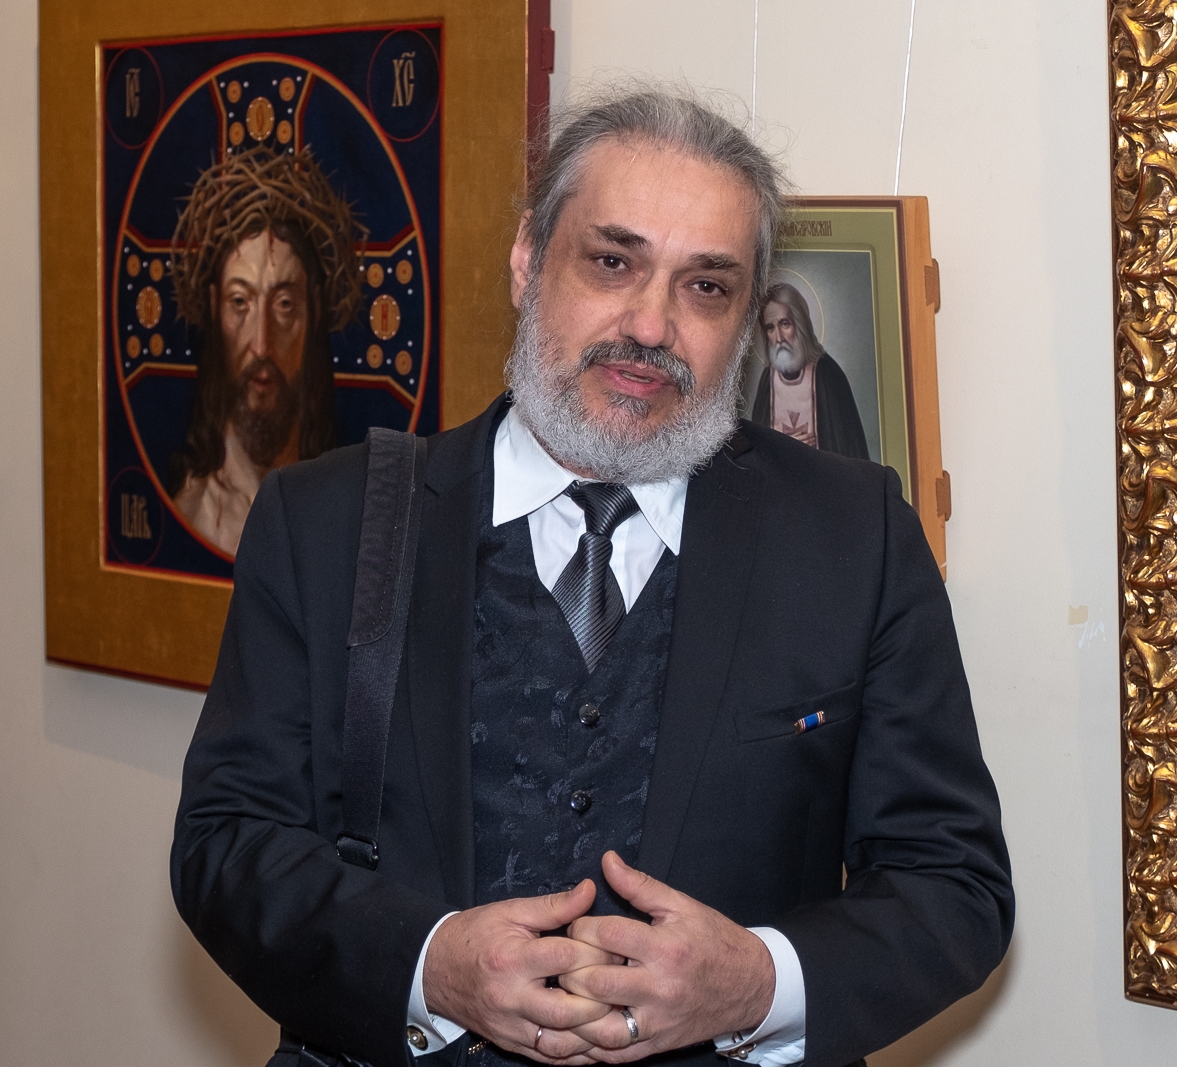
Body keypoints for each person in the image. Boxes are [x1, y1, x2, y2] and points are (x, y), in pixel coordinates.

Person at [173, 88, 1011, 1067]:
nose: (650, 325)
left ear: (748, 317)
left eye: (706, 287)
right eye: (612, 262)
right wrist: (429, 967)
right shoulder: (324, 523)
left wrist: (757, 982)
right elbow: (227, 846)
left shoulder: (854, 536)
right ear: (528, 260)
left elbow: (954, 885)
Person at [167, 144, 363, 556]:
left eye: (284, 305)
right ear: (215, 309)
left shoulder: (346, 515)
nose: (261, 343)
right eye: (240, 302)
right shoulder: (191, 512)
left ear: (313, 313)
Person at [749, 283, 870, 459]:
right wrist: (783, 444)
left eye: (785, 324)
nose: (779, 338)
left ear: (800, 325)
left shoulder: (827, 374)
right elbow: (756, 449)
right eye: (770, 328)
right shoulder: (768, 379)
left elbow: (847, 450)